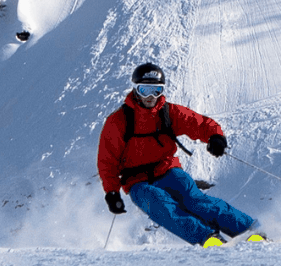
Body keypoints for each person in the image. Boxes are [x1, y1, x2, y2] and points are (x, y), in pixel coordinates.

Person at [98, 62, 266, 247]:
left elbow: (199, 123)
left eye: (156, 90)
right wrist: (112, 193)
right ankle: (207, 238)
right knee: (160, 205)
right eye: (145, 90)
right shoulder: (118, 121)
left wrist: (215, 137)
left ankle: (249, 230)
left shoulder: (168, 112)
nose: (151, 97)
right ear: (136, 89)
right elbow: (107, 161)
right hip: (137, 181)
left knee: (195, 200)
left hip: (168, 170)